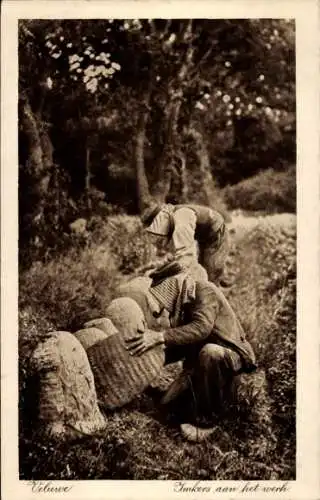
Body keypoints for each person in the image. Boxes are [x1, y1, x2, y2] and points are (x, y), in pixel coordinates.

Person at [125, 266, 256, 437]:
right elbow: (182, 344)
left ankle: (206, 422)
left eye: (160, 308)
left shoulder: (205, 290)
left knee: (211, 353)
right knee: (164, 406)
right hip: (201, 365)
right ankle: (197, 402)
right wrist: (147, 359)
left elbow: (201, 329)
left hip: (228, 360)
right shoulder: (186, 305)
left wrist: (159, 337)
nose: (161, 313)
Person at [141, 201, 229, 285]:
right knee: (202, 269)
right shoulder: (171, 221)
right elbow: (174, 254)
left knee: (210, 274)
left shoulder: (182, 218)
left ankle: (215, 294)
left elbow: (186, 256)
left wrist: (162, 272)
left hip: (216, 231)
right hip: (203, 236)